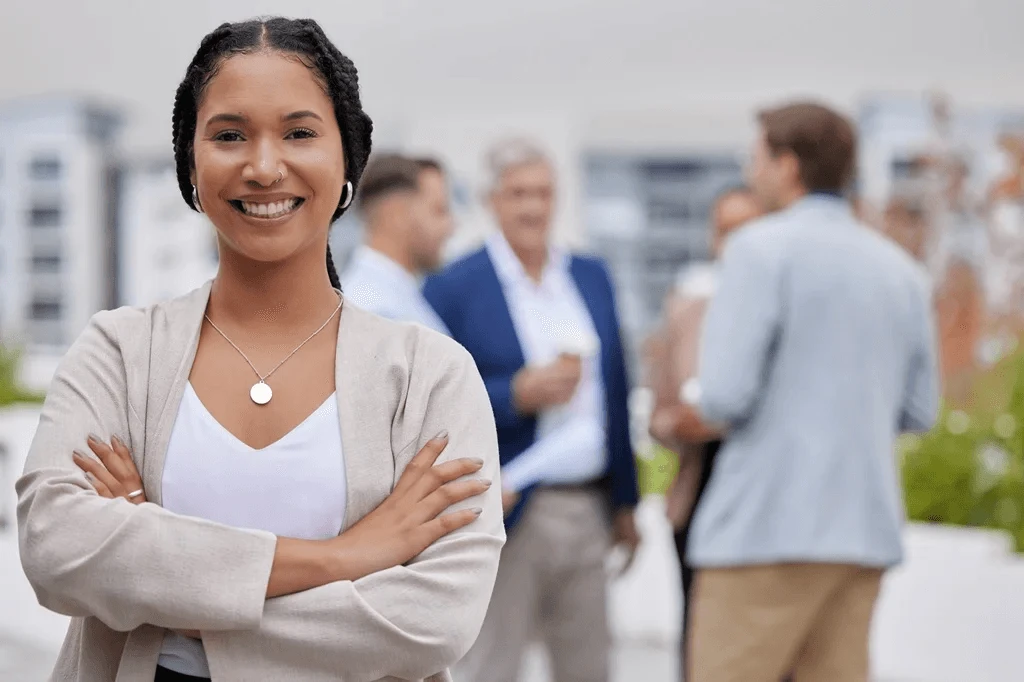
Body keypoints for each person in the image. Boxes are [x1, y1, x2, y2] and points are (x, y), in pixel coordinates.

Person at [16, 17, 503, 682]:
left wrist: (163, 586)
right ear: (191, 161)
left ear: (348, 158)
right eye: (229, 135)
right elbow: (57, 548)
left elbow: (434, 620)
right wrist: (348, 556)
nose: (265, 165)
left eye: (299, 132)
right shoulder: (119, 352)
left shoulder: (432, 376)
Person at [670, 102, 940, 682]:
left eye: (756, 158)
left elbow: (723, 395)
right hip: (861, 535)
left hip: (762, 534)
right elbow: (921, 412)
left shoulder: (756, 249)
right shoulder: (902, 271)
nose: (750, 171)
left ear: (788, 166)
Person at [424, 138, 640, 682]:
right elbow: (434, 401)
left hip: (587, 506)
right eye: (519, 193)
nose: (533, 207)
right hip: (507, 505)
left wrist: (625, 500)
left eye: (543, 193)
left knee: (590, 667)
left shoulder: (590, 275)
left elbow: (618, 386)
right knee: (492, 666)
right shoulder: (455, 287)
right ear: (492, 201)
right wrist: (516, 393)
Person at [645, 186, 763, 680]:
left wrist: (723, 415)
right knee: (700, 640)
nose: (735, 241)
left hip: (764, 500)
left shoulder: (785, 310)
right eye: (725, 229)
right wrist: (682, 424)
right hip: (700, 494)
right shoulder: (686, 310)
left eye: (747, 228)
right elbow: (658, 414)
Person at [341, 153, 454, 333]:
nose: (450, 227)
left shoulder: (394, 296)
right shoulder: (375, 310)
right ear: (397, 214)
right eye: (439, 211)